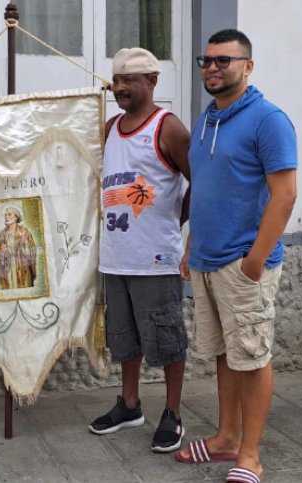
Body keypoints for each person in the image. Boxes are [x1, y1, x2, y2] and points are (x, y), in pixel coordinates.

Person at [175, 29, 297, 483]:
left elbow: (285, 196)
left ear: (248, 66)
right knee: (225, 354)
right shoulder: (207, 120)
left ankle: (251, 455)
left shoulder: (269, 120)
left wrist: (255, 260)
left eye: (223, 60)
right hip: (208, 259)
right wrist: (192, 246)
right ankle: (225, 438)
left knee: (253, 354)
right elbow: (206, 190)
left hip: (244, 264)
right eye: (206, 60)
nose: (212, 67)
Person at [89, 47, 192, 454]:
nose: (120, 87)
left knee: (167, 339)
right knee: (124, 338)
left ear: (152, 81)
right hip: (116, 255)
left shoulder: (169, 128)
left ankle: (172, 413)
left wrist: (174, 223)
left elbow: (197, 181)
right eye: (116, 79)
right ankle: (129, 404)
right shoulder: (111, 127)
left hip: (155, 258)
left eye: (130, 79)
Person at [0, 205, 37, 290]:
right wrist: (2, 251)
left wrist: (23, 241)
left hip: (22, 269)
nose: (6, 217)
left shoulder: (24, 232)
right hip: (8, 270)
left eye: (9, 214)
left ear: (16, 217)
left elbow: (31, 252)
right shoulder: (2, 234)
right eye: (5, 215)